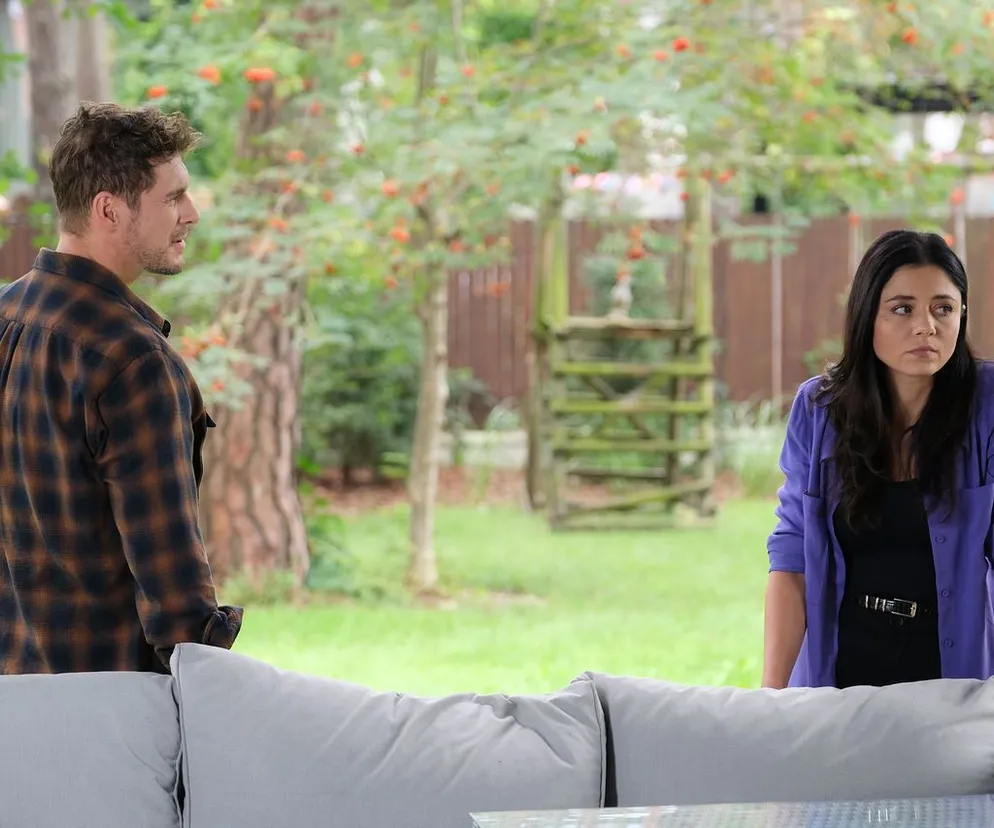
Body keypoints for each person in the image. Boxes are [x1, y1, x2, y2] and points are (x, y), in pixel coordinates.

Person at [0, 102, 243, 674]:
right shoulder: (133, 362)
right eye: (173, 197)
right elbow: (177, 602)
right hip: (109, 701)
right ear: (108, 209)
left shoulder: (6, 317)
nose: (192, 214)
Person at [763, 228, 994, 689]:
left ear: (961, 314)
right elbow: (792, 561)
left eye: (943, 308)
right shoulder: (819, 409)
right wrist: (768, 701)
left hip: (952, 675)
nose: (926, 326)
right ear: (868, 314)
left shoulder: (987, 403)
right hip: (841, 671)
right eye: (903, 309)